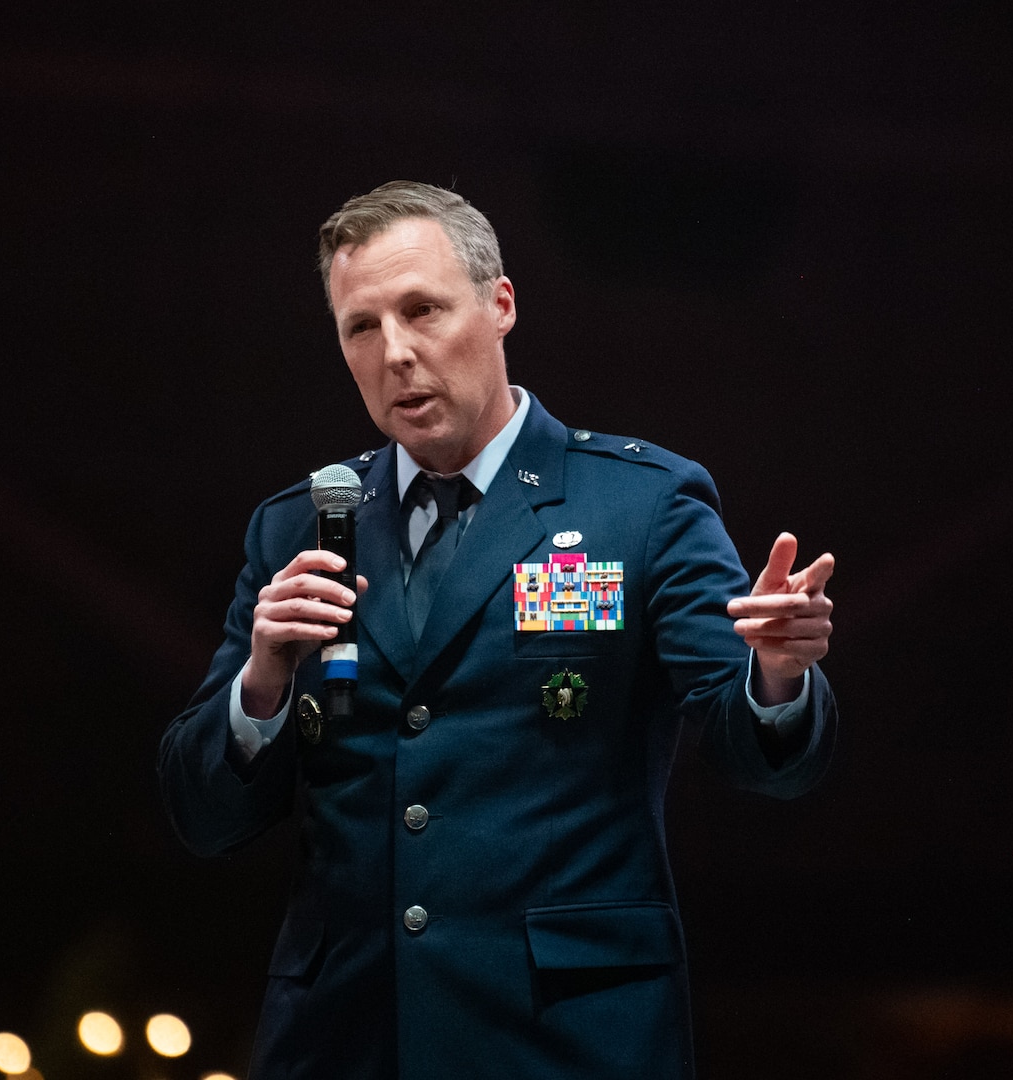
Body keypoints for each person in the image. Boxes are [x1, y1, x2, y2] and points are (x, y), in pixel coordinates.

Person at [157, 180, 836, 1080]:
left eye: (422, 310)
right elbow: (202, 817)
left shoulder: (640, 504)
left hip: (565, 1040)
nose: (395, 352)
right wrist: (262, 685)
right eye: (362, 327)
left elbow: (756, 755)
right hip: (345, 1041)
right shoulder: (297, 528)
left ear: (500, 304)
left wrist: (779, 678)